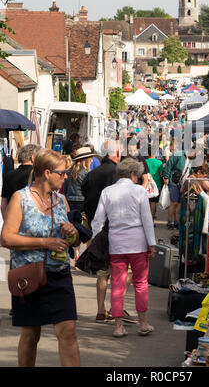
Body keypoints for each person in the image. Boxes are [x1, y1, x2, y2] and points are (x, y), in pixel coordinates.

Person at [0, 149, 80, 367]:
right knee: (31, 333)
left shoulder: (61, 200)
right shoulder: (21, 198)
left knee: (68, 331)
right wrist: (45, 243)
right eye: (62, 173)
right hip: (29, 275)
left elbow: (73, 241)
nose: (65, 177)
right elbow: (6, 238)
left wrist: (72, 234)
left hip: (59, 274)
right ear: (47, 173)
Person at [91, 158, 156, 338]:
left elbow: (97, 221)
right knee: (141, 284)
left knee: (117, 285)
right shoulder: (139, 191)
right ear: (133, 174)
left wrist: (97, 240)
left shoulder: (107, 192)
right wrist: (152, 244)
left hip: (116, 244)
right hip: (138, 243)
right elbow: (147, 220)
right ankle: (143, 324)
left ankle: (118, 327)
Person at [81, 140, 135, 324]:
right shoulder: (118, 175)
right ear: (117, 154)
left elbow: (84, 191)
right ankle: (115, 306)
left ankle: (100, 309)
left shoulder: (92, 173)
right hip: (117, 227)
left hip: (98, 228)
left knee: (102, 272)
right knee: (124, 272)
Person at [63, 147, 95, 261]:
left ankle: (76, 254)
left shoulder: (68, 172)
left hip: (70, 203)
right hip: (82, 204)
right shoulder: (87, 174)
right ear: (86, 160)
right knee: (87, 230)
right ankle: (88, 257)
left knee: (74, 230)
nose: (92, 161)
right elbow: (88, 191)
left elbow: (65, 190)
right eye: (90, 159)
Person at [1, 144, 42, 219]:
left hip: (12, 218)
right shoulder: (37, 175)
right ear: (33, 158)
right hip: (30, 220)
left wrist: (6, 222)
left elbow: (3, 203)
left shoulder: (9, 175)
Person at [163, 146, 197, 230]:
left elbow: (191, 171)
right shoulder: (179, 154)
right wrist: (166, 177)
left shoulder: (192, 160)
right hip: (173, 181)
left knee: (178, 204)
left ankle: (176, 222)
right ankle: (169, 222)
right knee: (173, 203)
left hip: (183, 184)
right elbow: (169, 165)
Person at [146, 145, 164, 220]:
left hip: (146, 184)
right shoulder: (159, 162)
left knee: (147, 203)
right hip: (156, 185)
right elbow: (161, 174)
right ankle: (151, 219)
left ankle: (147, 218)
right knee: (153, 202)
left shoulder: (145, 161)